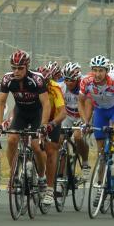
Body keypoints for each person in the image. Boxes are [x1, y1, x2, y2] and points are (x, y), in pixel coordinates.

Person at [0, 49, 50, 193]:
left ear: (27, 66)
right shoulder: (7, 79)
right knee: (12, 139)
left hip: (36, 113)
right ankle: (14, 174)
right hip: (20, 112)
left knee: (36, 146)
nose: (16, 71)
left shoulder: (37, 79)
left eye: (20, 68)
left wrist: (44, 125)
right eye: (14, 68)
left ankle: (42, 176)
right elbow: (0, 102)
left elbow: (46, 103)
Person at [79, 55, 114, 190]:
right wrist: (85, 121)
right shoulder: (86, 81)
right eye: (95, 70)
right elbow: (81, 101)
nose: (97, 74)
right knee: (101, 152)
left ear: (106, 71)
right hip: (100, 111)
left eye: (101, 70)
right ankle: (100, 180)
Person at [37, 63, 66, 206]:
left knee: (50, 150)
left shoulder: (55, 87)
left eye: (45, 83)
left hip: (52, 120)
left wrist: (52, 124)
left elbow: (63, 112)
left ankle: (49, 189)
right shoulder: (33, 85)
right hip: (37, 118)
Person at [60, 62, 90, 180]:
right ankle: (60, 174)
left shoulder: (85, 85)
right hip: (68, 115)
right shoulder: (61, 86)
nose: (68, 83)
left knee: (78, 137)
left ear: (78, 79)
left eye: (71, 80)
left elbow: (88, 106)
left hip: (81, 115)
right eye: (66, 79)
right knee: (59, 139)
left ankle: (86, 163)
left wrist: (86, 122)